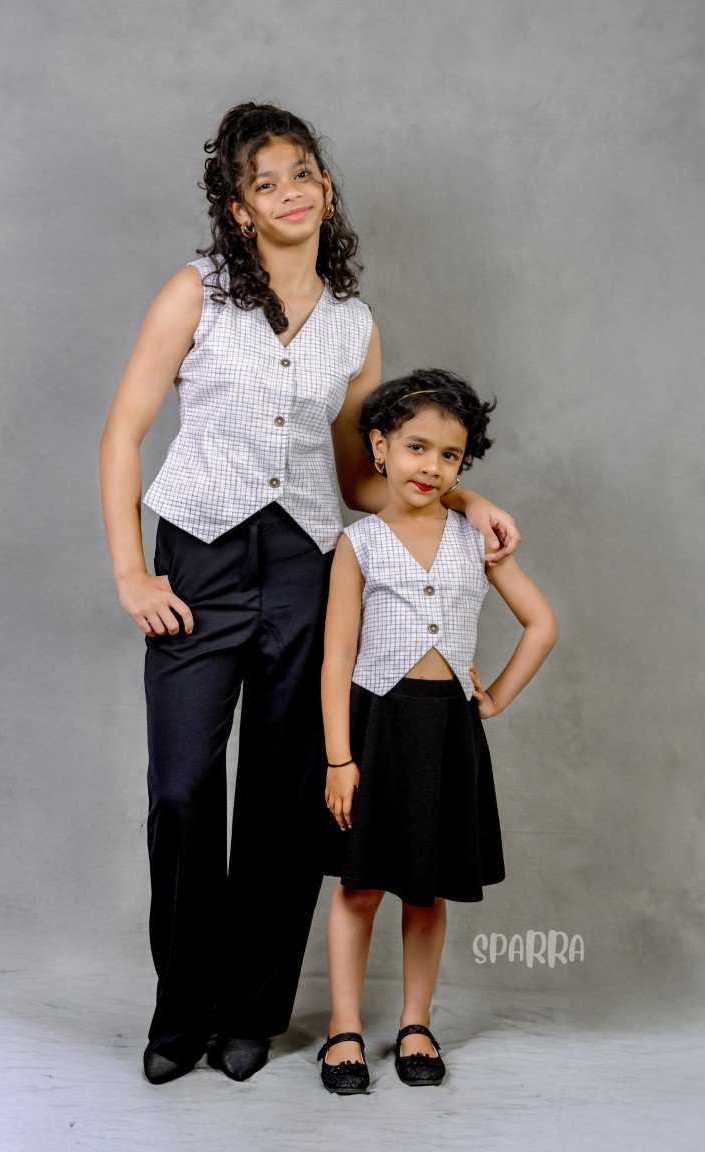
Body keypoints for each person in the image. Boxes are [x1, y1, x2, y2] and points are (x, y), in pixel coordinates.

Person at [99, 102, 521, 1086]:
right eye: (266, 182)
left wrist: (466, 498)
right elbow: (123, 433)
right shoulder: (196, 294)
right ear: (240, 209)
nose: (290, 192)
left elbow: (359, 474)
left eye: (303, 174)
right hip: (199, 561)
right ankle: (181, 1011)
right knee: (183, 790)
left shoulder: (352, 325)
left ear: (325, 190)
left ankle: (253, 1011)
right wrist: (129, 571)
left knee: (286, 798)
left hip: (306, 568)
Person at [316, 369, 558, 1093]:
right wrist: (339, 759)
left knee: (426, 892)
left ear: (462, 465)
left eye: (449, 455)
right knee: (360, 887)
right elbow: (336, 658)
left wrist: (495, 698)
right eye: (416, 447)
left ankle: (416, 1023)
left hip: (447, 732)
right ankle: (343, 1028)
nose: (431, 466)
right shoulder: (359, 543)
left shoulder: (475, 541)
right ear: (380, 449)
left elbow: (542, 624)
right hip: (374, 729)